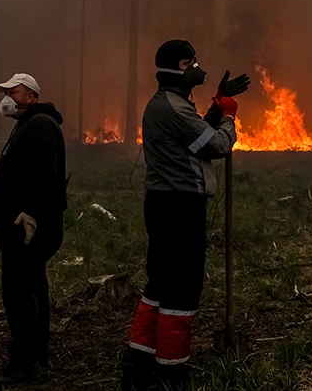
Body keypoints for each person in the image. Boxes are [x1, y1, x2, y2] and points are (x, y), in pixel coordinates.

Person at [120, 40, 250, 391]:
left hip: (164, 204)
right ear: (178, 67)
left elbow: (194, 140)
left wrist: (216, 100)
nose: (198, 67)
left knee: (160, 286)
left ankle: (139, 364)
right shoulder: (173, 109)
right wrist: (228, 114)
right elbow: (216, 145)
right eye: (192, 61)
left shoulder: (171, 105)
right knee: (181, 290)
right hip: (180, 208)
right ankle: (171, 373)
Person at [0, 73, 67, 384]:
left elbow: (42, 174)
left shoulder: (40, 125)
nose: (7, 97)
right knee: (31, 287)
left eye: (13, 91)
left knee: (20, 292)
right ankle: (35, 354)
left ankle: (25, 363)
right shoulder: (29, 124)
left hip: (29, 229)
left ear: (30, 96)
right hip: (22, 227)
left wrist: (30, 215)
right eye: (5, 91)